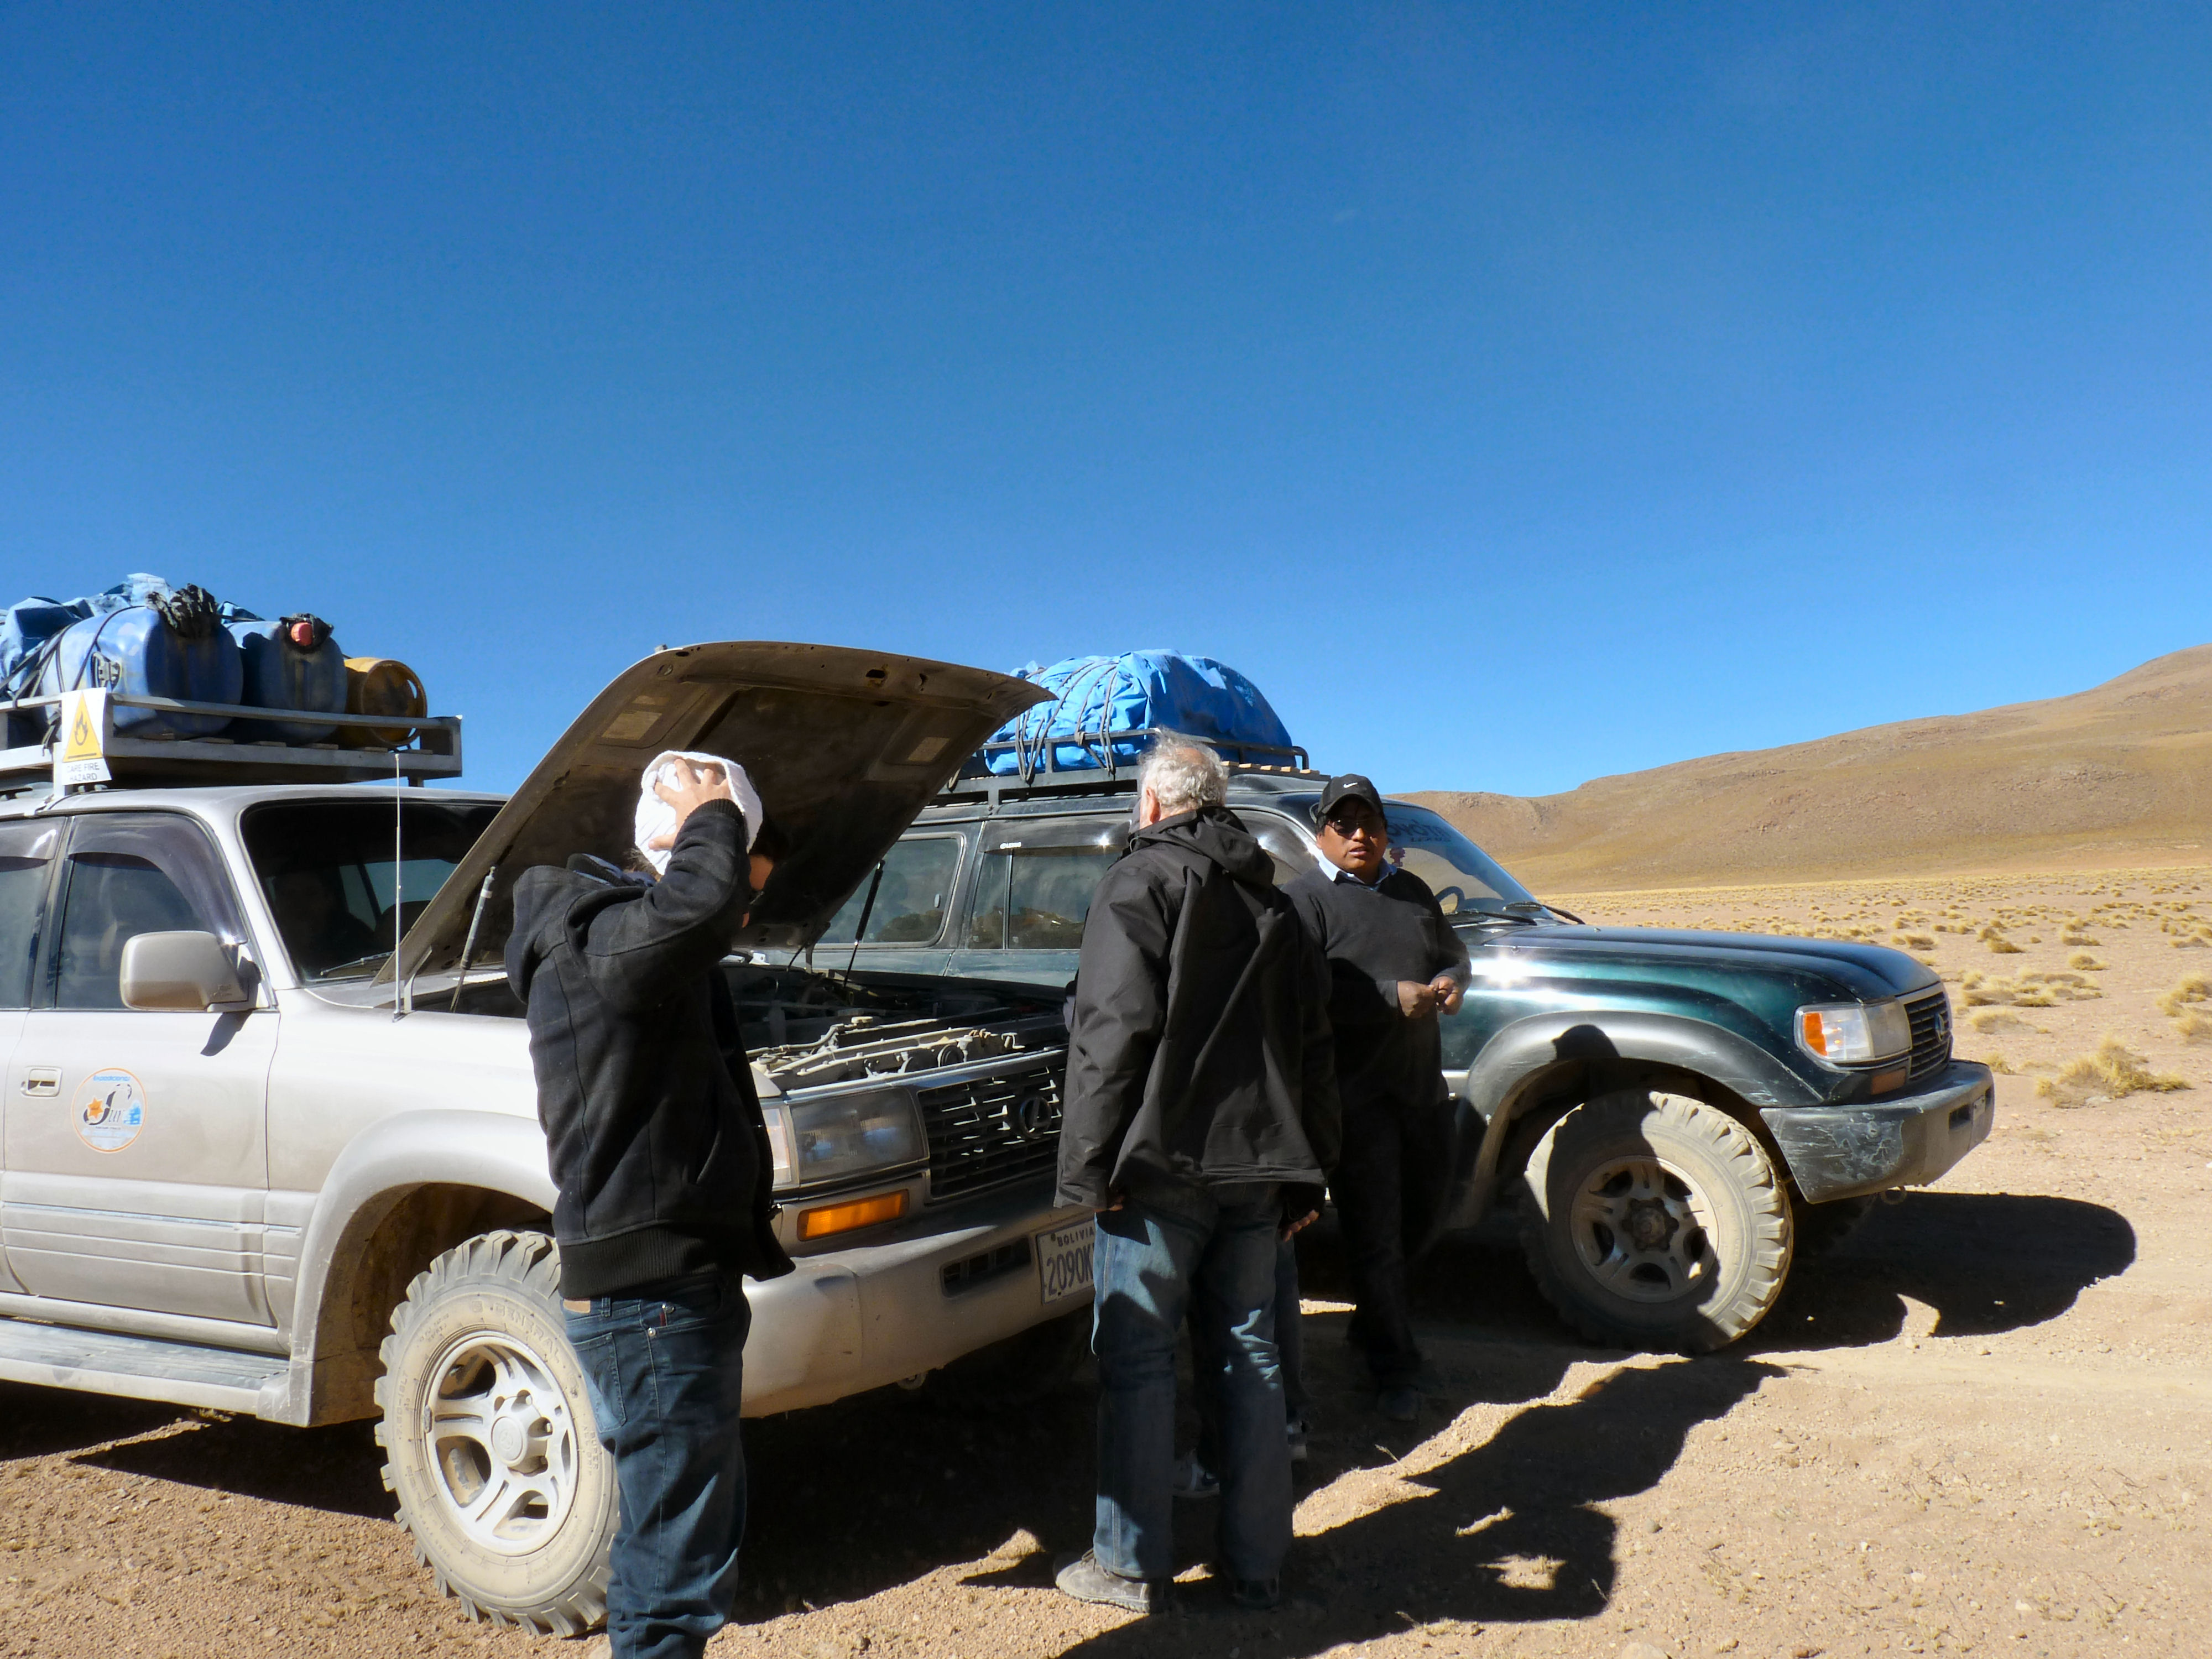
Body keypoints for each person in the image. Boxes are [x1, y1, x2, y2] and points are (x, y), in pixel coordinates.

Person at [506, 756, 793, 1659]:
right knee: (672, 1578)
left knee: (677, 1547)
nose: (739, 916)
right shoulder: (601, 940)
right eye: (740, 888)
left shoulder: (625, 941)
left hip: (672, 1289)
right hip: (652, 1298)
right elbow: (700, 906)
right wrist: (715, 818)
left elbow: (702, 912)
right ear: (682, 855)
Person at [1055, 742, 1338, 1616]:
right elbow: (1311, 1047)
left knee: (1138, 1362)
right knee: (1249, 1353)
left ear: (1150, 805)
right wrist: (1308, 1177)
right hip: (1259, 1167)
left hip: (1159, 1167)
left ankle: (1129, 1565)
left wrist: (1086, 1169)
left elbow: (1112, 1031)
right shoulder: (1275, 899)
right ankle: (1258, 1566)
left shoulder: (1140, 884)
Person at [1284, 774, 1469, 1425]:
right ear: (1322, 832)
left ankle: (1371, 1324)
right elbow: (1301, 999)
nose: (1359, 834)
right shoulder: (1302, 904)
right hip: (1353, 1102)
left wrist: (1451, 978)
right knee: (1378, 1235)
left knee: (1430, 1211)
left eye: (1370, 823)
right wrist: (1390, 999)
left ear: (1386, 833)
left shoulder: (1412, 891)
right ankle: (1395, 1369)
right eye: (1344, 823)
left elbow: (1453, 953)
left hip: (1420, 1088)